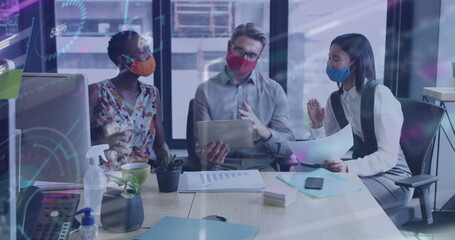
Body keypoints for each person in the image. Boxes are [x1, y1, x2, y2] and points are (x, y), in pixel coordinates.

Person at [307, 33, 412, 210]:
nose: (329, 64)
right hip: (359, 174)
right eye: (329, 57)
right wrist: (317, 125)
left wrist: (348, 167)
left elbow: (388, 157)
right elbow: (331, 151)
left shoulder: (380, 95)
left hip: (393, 177)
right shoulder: (334, 100)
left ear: (355, 63)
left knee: (338, 201)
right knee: (313, 192)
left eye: (336, 58)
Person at [193, 23, 295, 171]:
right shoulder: (205, 90)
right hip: (220, 167)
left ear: (258, 57)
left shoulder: (273, 90)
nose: (244, 59)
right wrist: (209, 157)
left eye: (251, 55)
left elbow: (289, 147)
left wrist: (264, 131)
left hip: (261, 166)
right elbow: (199, 147)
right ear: (229, 47)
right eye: (240, 51)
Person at [89, 30, 169, 170]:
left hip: (143, 179)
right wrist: (102, 143)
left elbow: (160, 144)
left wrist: (169, 168)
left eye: (148, 51)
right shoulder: (97, 92)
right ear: (122, 59)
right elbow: (75, 144)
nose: (149, 57)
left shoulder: (152, 94)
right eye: (141, 52)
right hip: (105, 179)